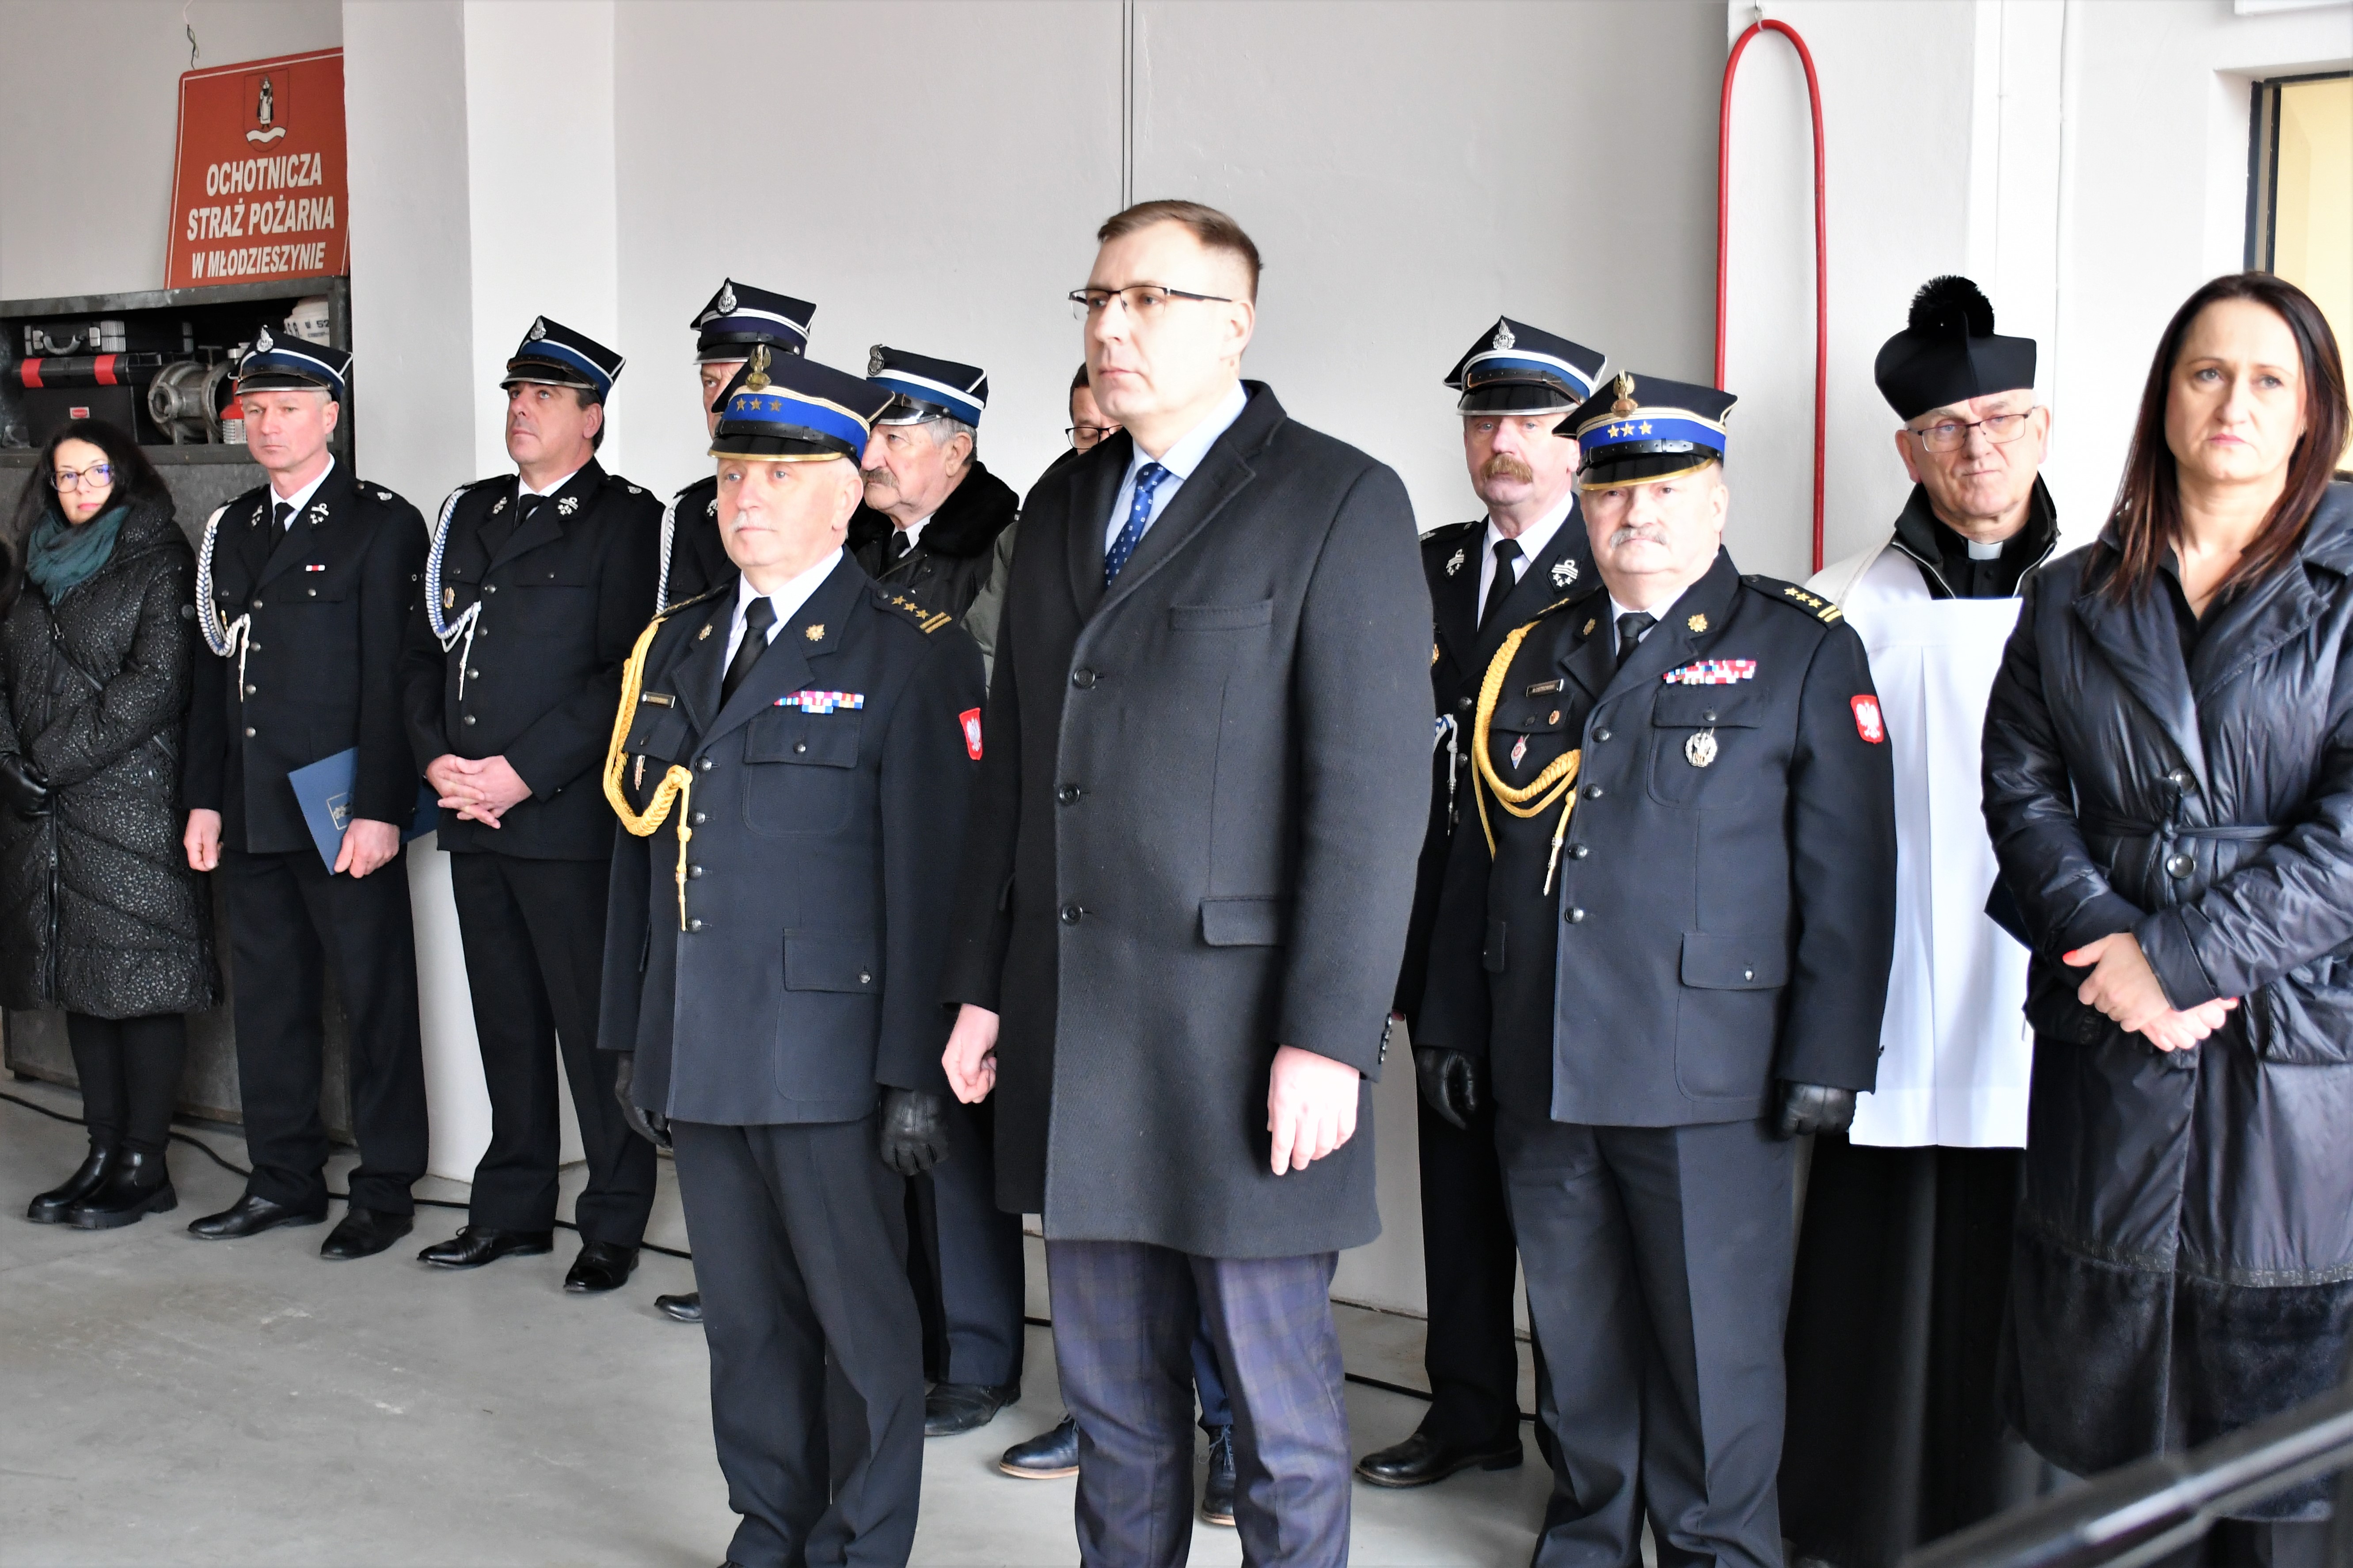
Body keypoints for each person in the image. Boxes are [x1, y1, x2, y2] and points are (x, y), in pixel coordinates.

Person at [939, 198, 1429, 1568]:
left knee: (1277, 1422)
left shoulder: (1336, 499)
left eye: (1149, 299)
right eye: (1098, 299)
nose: (1112, 325)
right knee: (1116, 1412)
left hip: (1241, 1043)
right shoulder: (1060, 505)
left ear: (1235, 325)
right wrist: (980, 986)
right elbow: (1012, 775)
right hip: (1081, 1030)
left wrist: (1327, 1035)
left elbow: (1369, 802)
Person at [1415, 371, 1898, 1568]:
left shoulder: (1793, 648)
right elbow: (1478, 858)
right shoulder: (1529, 652)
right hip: (1543, 1059)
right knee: (1575, 1343)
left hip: (1705, 1076)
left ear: (1716, 500)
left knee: (1709, 1351)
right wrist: (1452, 1023)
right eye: (1612, 491)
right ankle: (1586, 1537)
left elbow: (1848, 875)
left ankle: (1715, 1550)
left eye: (1667, 490)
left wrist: (1829, 1056)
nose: (1636, 514)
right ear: (1583, 504)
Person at [1981, 271, 2353, 1561]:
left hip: (2289, 1049)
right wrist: (2110, 947)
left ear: (2308, 412)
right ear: (2164, 398)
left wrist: (2183, 957)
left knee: (2271, 1467)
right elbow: (2020, 790)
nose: (2231, 402)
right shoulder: (2069, 594)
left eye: (2266, 379)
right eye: (2206, 373)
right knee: (2108, 1462)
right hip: (2109, 1041)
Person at [597, 346, 981, 1566]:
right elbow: (643, 861)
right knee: (747, 1325)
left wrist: (913, 1071)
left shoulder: (908, 651)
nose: (745, 498)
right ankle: (769, 1529)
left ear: (846, 492)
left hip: (830, 1056)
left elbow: (933, 879)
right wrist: (635, 1036)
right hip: (704, 1041)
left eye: (778, 474)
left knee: (859, 1329)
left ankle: (858, 1545)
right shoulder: (677, 643)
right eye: (731, 474)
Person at [1778, 276, 2058, 1565]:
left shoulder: (2112, 597)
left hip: (2051, 994)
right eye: (1945, 429)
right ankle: (1863, 1513)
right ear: (1907, 450)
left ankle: (2022, 1515)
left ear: (2040, 429)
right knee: (1875, 1270)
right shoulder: (1834, 605)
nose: (1975, 448)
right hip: (1888, 996)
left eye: (1999, 421)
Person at [1358, 315, 1602, 1492]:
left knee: (1561, 1206)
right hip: (1433, 922)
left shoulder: (1612, 568)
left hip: (1557, 928)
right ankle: (1465, 1409)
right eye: (1483, 417)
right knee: (1453, 1188)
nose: (1502, 440)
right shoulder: (1431, 566)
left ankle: (1581, 1445)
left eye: (1530, 419)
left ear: (1577, 440)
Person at [397, 318, 661, 1291]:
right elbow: (421, 655)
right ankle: (509, 1209)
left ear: (592, 417)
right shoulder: (469, 512)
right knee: (504, 1022)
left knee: (593, 1034)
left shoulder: (627, 522)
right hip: (470, 812)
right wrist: (436, 761)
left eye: (545, 395)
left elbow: (624, 674)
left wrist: (521, 771)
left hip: (561, 819)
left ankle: (613, 1218)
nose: (520, 409)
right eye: (515, 393)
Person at [181, 333, 431, 1259]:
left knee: (374, 1001)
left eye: (289, 409)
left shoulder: (380, 523)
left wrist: (380, 806)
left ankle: (386, 1187)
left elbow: (394, 680)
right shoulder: (233, 527)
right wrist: (205, 799)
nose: (269, 425)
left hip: (338, 806)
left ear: (330, 415)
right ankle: (282, 1177)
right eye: (255, 409)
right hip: (252, 806)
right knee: (271, 1003)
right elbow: (214, 677)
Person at [840, 342, 1029, 1436]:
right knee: (881, 1114)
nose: (872, 453)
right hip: (861, 854)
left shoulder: (998, 543)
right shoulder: (868, 543)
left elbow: (986, 697)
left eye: (894, 433)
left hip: (955, 858)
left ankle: (977, 1352)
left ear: (956, 449)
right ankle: (903, 1334)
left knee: (949, 1110)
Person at [647, 279, 814, 1326]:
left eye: (742, 375)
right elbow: (668, 661)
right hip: (704, 805)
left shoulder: (827, 489)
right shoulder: (689, 510)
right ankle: (737, 1274)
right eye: (710, 376)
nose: (721, 393)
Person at [3, 421, 217, 1228]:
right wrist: (7, 761)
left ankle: (144, 1164)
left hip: (132, 803)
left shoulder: (160, 559)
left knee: (142, 984)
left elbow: (157, 684)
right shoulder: (30, 568)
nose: (80, 488)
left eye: (95, 472)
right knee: (82, 985)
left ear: (124, 476)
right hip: (49, 814)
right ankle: (101, 1152)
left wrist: (45, 760)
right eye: (65, 476)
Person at [656, 279, 817, 616]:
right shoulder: (689, 513)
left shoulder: (829, 503)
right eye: (710, 382)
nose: (718, 400)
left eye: (737, 380)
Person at [852, 346, 1020, 635]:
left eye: (894, 438)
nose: (867, 460)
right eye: (867, 436)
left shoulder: (1004, 560)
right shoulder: (841, 528)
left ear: (955, 453)